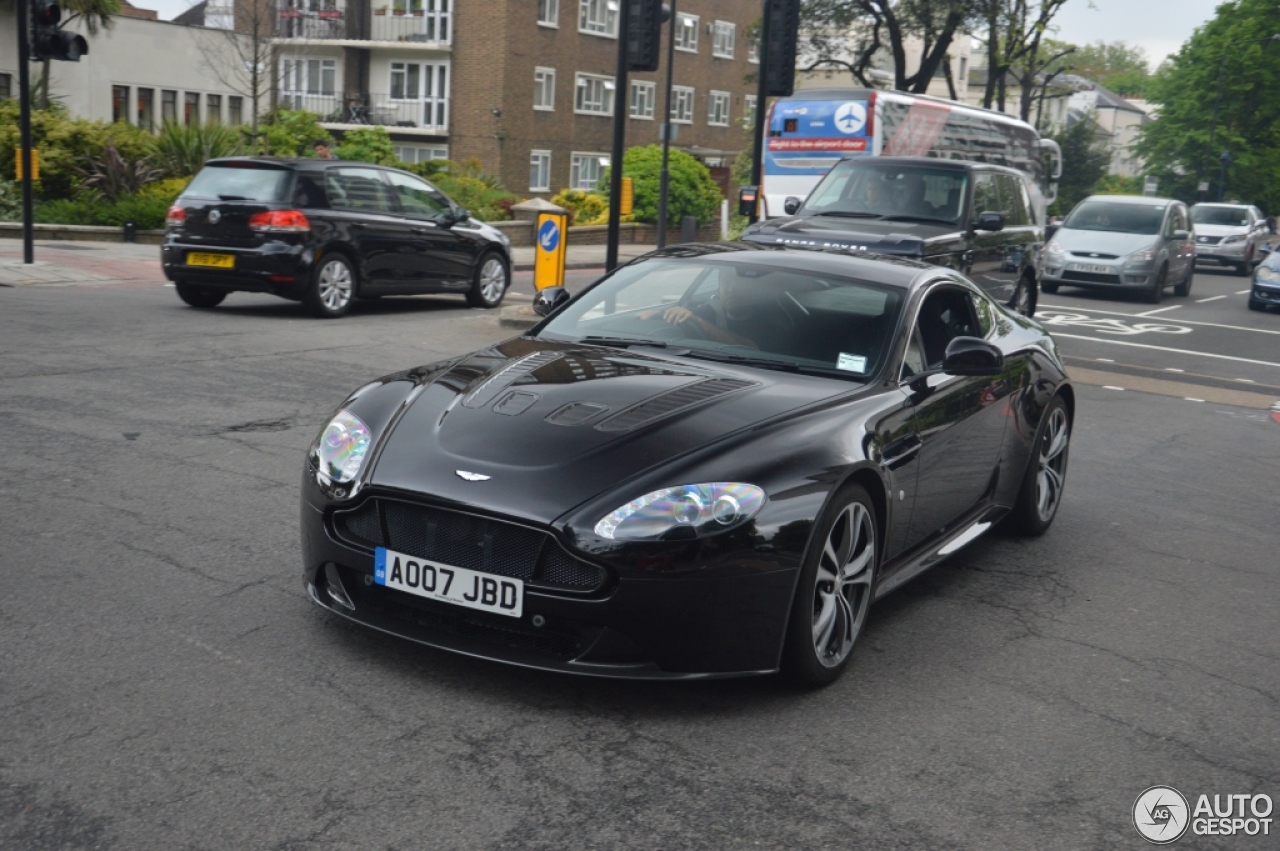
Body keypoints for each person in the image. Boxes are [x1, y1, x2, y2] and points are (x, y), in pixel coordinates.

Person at [640, 276, 792, 351]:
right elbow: (685, 316)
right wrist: (657, 314)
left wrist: (698, 321)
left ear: (752, 290)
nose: (730, 290)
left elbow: (751, 347)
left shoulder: (768, 322)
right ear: (718, 287)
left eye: (738, 284)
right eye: (726, 283)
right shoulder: (709, 310)